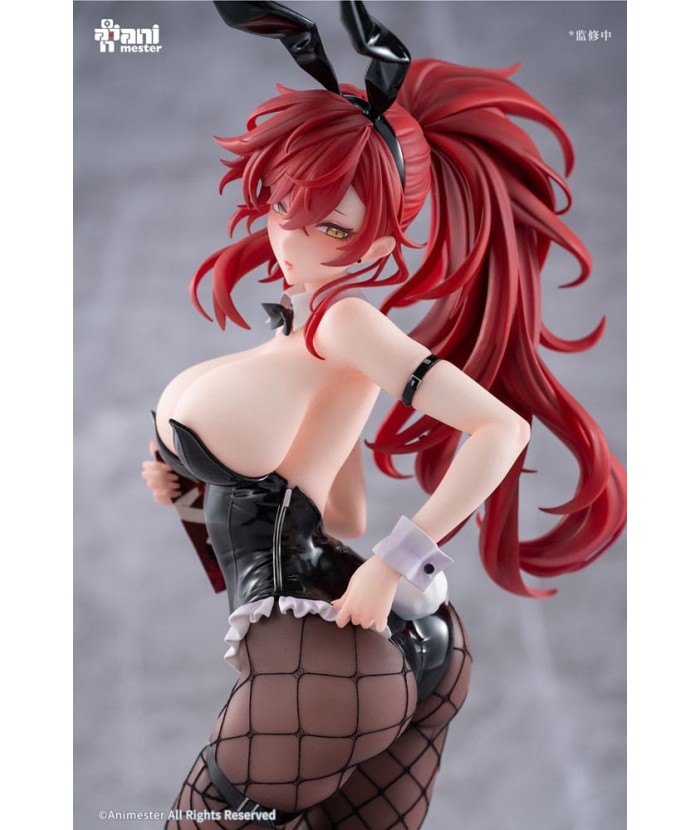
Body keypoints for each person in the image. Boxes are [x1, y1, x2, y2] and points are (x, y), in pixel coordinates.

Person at [142, 3, 626, 828]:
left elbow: (501, 429)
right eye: (289, 207)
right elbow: (341, 514)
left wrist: (394, 564)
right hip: (376, 648)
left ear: (374, 247)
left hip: (331, 656)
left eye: (331, 225)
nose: (294, 237)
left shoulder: (346, 322)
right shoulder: (312, 332)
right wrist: (190, 495)